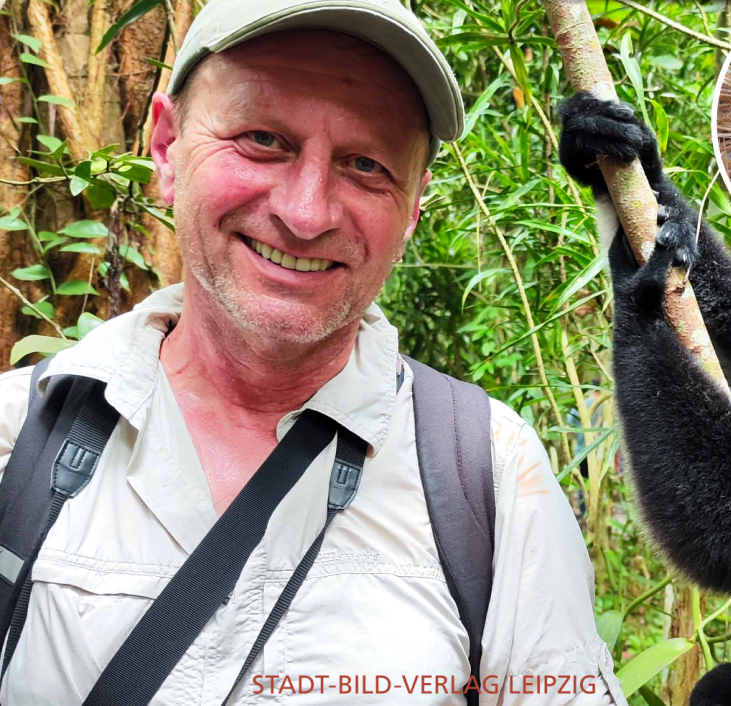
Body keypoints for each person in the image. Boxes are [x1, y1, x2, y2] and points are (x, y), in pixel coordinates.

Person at [0, 1, 626, 703]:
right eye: (263, 139)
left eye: (365, 165)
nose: (305, 215)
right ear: (168, 148)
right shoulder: (14, 437)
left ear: (414, 206)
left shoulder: (490, 473)